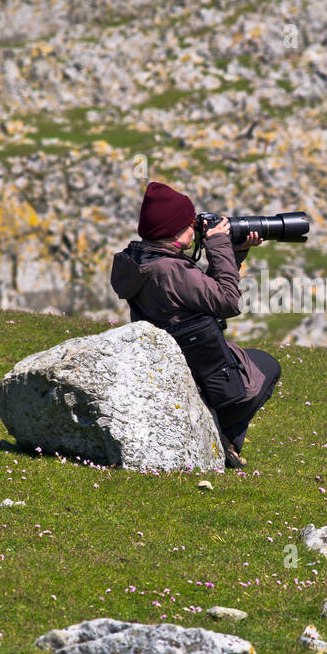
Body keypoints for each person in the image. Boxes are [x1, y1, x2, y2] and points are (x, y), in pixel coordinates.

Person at [110, 181, 281, 469]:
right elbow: (228, 300)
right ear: (174, 230)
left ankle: (223, 439)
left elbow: (204, 293)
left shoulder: (141, 261)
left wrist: (234, 252)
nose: (195, 229)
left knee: (250, 362)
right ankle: (219, 433)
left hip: (172, 354)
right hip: (196, 361)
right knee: (266, 366)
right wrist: (217, 244)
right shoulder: (170, 269)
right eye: (191, 223)